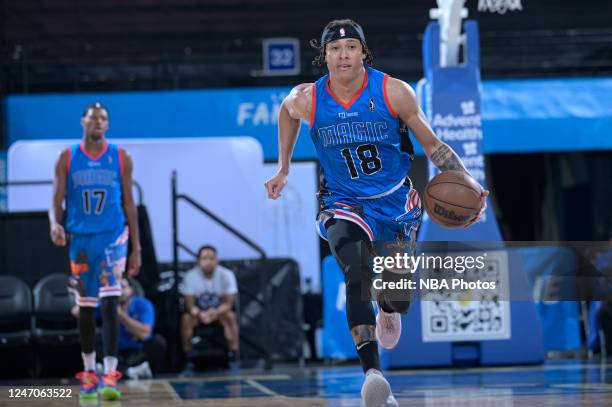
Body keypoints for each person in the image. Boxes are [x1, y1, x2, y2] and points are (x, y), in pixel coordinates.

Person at [264, 19, 487, 407]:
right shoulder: (309, 98)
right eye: (335, 48)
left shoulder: (392, 91)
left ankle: (388, 307)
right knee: (357, 271)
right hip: (343, 202)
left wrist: (467, 181)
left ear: (363, 52)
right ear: (325, 56)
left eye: (351, 47)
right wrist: (283, 166)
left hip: (395, 204)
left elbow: (433, 145)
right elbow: (285, 112)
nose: (343, 54)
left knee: (397, 298)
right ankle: (373, 373)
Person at [49, 102, 141, 401]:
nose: (97, 123)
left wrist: (136, 247)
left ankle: (110, 375)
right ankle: (89, 373)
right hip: (81, 240)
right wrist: (55, 223)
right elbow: (56, 200)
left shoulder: (120, 156)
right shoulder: (67, 156)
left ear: (108, 125)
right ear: (83, 122)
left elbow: (129, 204)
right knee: (86, 307)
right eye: (93, 118)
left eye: (102, 119)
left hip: (114, 238)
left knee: (111, 302)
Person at [71, 277, 166, 380]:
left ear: (131, 290)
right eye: (116, 288)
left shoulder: (143, 304)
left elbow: (145, 334)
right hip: (112, 351)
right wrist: (95, 296)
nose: (119, 291)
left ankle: (124, 370)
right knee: (90, 338)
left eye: (123, 287)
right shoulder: (105, 304)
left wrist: (120, 315)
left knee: (158, 342)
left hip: (136, 351)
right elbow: (76, 312)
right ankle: (128, 371)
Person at [180, 245, 239, 362]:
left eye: (211, 258)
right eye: (205, 258)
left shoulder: (226, 275)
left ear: (217, 260)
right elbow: (189, 304)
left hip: (220, 312)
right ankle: (188, 355)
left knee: (230, 317)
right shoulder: (190, 276)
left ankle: (233, 354)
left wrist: (215, 313)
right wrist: (200, 314)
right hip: (198, 313)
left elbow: (229, 303)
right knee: (186, 319)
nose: (208, 262)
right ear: (198, 261)